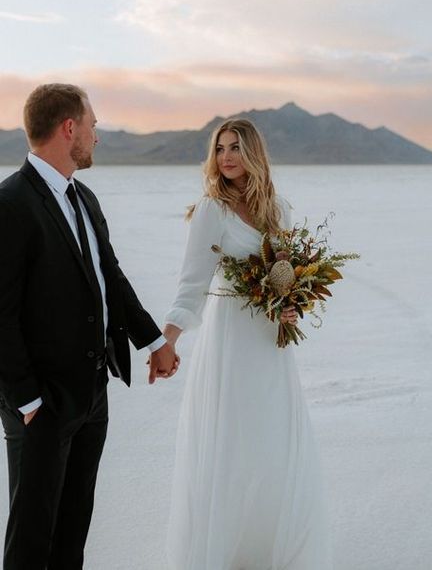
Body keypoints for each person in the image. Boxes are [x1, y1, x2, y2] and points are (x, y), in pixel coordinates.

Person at [0, 83, 179, 570]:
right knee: (31, 541)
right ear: (69, 128)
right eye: (93, 125)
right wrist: (27, 401)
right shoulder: (10, 202)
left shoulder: (85, 199)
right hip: (43, 406)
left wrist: (154, 341)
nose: (97, 136)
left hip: (92, 394)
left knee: (72, 535)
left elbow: (110, 280)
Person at [162, 119, 331, 570]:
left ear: (253, 152)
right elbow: (191, 283)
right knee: (233, 439)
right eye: (219, 149)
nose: (227, 157)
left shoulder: (279, 208)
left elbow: (288, 276)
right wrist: (169, 339)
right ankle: (229, 550)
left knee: (272, 440)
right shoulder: (210, 210)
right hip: (231, 343)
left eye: (235, 147)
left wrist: (291, 305)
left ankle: (268, 547)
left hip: (270, 346)